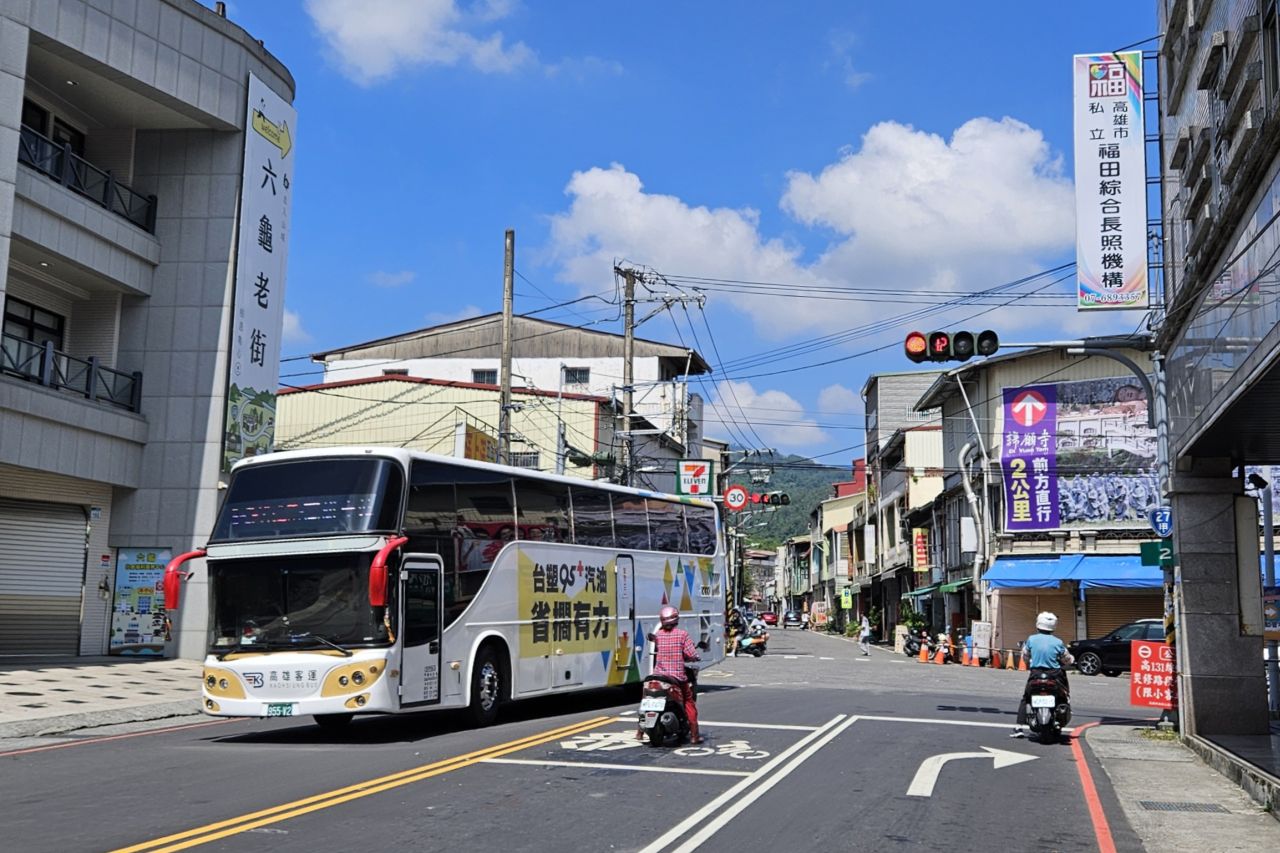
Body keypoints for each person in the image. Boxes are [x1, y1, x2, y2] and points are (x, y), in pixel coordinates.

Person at [636, 605, 704, 743]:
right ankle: (694, 736)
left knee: (646, 699)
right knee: (689, 702)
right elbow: (691, 654)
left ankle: (639, 733)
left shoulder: (659, 635)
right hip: (676, 678)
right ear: (675, 619)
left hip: (657, 676)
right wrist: (695, 657)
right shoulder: (682, 635)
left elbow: (654, 642)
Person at [1012, 611, 1075, 738]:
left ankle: (1019, 727)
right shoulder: (1058, 642)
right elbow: (1067, 659)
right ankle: (1061, 716)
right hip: (1055, 674)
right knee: (1063, 695)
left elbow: (1025, 656)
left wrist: (1030, 660)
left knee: (1026, 698)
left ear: (1038, 624)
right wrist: (1071, 660)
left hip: (1036, 674)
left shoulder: (1031, 639)